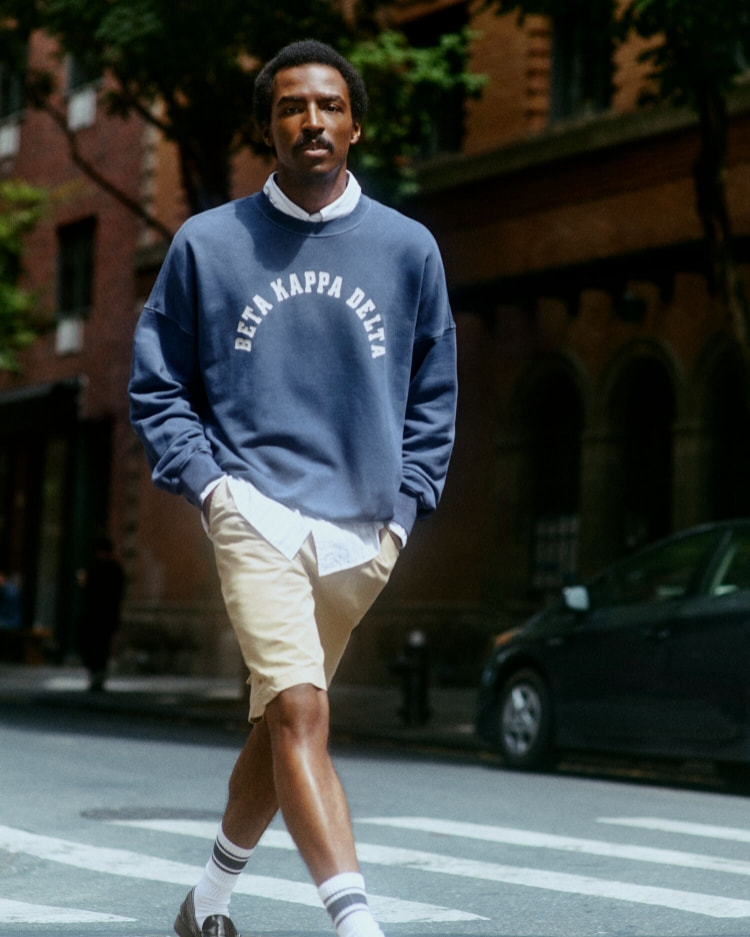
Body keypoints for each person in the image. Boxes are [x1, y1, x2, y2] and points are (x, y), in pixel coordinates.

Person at [129, 39, 457, 937]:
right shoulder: (208, 243)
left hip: (364, 529)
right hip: (254, 510)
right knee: (303, 709)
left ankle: (207, 901)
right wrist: (211, 490)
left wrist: (405, 508)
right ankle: (356, 922)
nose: (311, 120)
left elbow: (435, 392)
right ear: (266, 128)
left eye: (329, 106)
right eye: (290, 107)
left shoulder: (408, 248)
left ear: (356, 125)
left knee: (279, 719)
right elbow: (157, 384)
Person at [77, 537, 125, 691]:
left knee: (96, 645)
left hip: (97, 614)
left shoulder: (99, 568)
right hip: (103, 614)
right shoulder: (113, 569)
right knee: (99, 645)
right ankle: (97, 674)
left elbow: (91, 590)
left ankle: (96, 674)